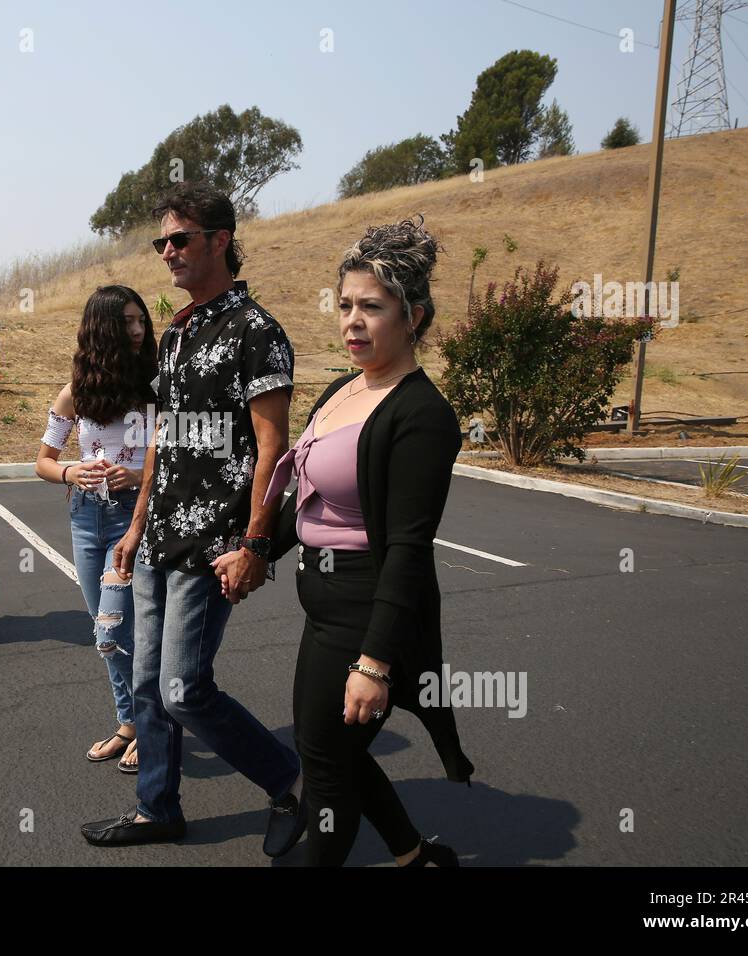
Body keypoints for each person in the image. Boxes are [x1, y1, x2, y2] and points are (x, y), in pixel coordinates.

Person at [81, 182, 306, 855]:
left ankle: (290, 778)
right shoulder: (177, 331)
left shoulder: (256, 332)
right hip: (158, 537)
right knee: (147, 686)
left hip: (213, 543)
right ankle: (157, 808)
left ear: (220, 241)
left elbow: (274, 450)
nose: (167, 252)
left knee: (183, 688)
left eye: (180, 239)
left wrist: (257, 545)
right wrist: (134, 524)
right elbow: (164, 440)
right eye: (161, 242)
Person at [262, 218, 474, 866]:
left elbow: (409, 550)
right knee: (333, 752)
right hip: (323, 609)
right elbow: (304, 490)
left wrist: (375, 664)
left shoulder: (422, 416)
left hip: (365, 613)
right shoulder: (342, 389)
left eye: (371, 308)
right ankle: (412, 856)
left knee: (327, 771)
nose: (352, 321)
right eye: (346, 305)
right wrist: (255, 549)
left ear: (414, 316)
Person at [34, 286, 157, 774]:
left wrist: (138, 476)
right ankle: (129, 722)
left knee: (116, 625)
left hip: (135, 516)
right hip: (86, 517)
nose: (136, 330)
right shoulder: (75, 393)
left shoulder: (156, 387)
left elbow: (177, 454)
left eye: (141, 321)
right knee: (105, 634)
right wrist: (70, 472)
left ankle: (151, 725)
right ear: (100, 327)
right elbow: (43, 461)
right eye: (126, 321)